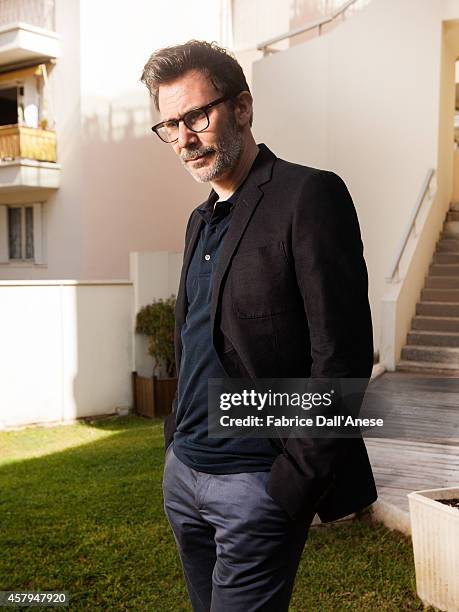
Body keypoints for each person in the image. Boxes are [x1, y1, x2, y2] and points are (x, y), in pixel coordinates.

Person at [140, 40, 377, 612]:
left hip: (255, 484)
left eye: (197, 115)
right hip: (185, 476)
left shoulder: (308, 195)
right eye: (169, 124)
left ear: (242, 107)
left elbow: (342, 357)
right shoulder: (200, 221)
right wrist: (175, 449)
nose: (183, 139)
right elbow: (197, 340)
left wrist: (292, 482)